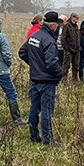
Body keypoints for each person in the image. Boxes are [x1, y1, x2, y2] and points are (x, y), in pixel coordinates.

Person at [18, 11, 64, 146]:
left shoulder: (34, 36)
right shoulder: (49, 41)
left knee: (34, 108)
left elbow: (22, 52)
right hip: (47, 81)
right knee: (47, 110)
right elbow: (51, 63)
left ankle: (34, 136)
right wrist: (59, 74)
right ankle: (48, 139)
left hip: (34, 79)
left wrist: (35, 65)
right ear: (53, 26)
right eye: (57, 26)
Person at [61, 12, 81, 82]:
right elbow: (63, 39)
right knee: (66, 66)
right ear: (72, 17)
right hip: (69, 50)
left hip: (76, 50)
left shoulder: (76, 26)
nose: (76, 20)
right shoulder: (67, 26)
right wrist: (66, 49)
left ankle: (75, 80)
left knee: (76, 66)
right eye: (75, 18)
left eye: (77, 19)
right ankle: (64, 80)